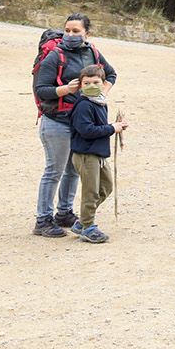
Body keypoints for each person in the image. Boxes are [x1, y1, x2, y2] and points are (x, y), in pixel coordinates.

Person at [32, 14, 117, 238]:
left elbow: (111, 74)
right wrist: (65, 90)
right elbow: (42, 89)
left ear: (86, 33)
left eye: (75, 31)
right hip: (57, 121)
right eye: (67, 30)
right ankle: (43, 219)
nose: (70, 35)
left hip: (80, 121)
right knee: (54, 170)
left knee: (73, 170)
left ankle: (65, 213)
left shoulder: (93, 52)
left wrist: (101, 95)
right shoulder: (54, 56)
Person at [68, 64, 129, 243]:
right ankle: (88, 225)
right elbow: (87, 130)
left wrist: (116, 126)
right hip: (86, 155)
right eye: (86, 83)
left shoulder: (99, 102)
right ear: (80, 85)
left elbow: (97, 126)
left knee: (106, 187)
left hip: (98, 153)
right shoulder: (83, 106)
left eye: (95, 82)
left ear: (103, 84)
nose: (91, 86)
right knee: (91, 191)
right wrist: (111, 128)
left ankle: (82, 221)